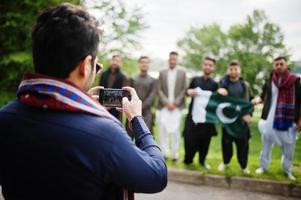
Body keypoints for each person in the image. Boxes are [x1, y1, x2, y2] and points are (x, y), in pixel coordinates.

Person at [0, 3, 167, 200]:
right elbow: (156, 175)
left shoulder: (6, 117)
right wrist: (137, 119)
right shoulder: (105, 133)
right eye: (96, 65)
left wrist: (77, 99)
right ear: (86, 65)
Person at [253, 56, 301, 181]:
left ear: (286, 65)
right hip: (269, 120)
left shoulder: (295, 81)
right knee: (266, 145)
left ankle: (287, 170)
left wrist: (300, 119)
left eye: (281, 64)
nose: (278, 66)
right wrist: (255, 100)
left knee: (289, 147)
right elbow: (263, 96)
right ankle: (263, 167)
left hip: (288, 120)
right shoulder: (270, 80)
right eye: (276, 64)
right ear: (274, 66)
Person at [217, 61, 253, 174]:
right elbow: (215, 99)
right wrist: (218, 91)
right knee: (226, 144)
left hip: (241, 122)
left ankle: (244, 166)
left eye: (235, 69)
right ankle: (225, 162)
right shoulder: (222, 84)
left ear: (239, 70)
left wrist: (249, 114)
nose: (233, 71)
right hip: (227, 121)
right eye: (231, 69)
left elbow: (250, 102)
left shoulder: (245, 85)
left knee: (243, 145)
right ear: (228, 70)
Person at [183, 56, 219, 169]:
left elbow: (217, 100)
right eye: (206, 64)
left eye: (210, 65)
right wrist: (189, 92)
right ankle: (188, 160)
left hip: (207, 118)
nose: (208, 66)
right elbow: (186, 92)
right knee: (189, 139)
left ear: (214, 67)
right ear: (202, 65)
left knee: (205, 141)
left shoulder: (215, 84)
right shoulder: (195, 80)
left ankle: (202, 161)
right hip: (193, 117)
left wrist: (220, 92)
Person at [157, 51, 187, 162]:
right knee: (163, 130)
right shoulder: (162, 72)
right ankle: (163, 153)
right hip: (164, 106)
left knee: (175, 131)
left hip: (176, 107)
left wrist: (175, 103)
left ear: (177, 60)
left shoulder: (183, 72)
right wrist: (166, 102)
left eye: (175, 59)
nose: (173, 61)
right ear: (168, 59)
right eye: (171, 59)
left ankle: (175, 154)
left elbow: (184, 88)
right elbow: (159, 89)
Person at [129, 56, 157, 132]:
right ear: (139, 64)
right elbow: (128, 95)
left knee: (146, 136)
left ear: (149, 64)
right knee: (130, 135)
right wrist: (133, 108)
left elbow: (151, 96)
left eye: (146, 62)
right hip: (132, 112)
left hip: (147, 113)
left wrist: (140, 107)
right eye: (142, 62)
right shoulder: (132, 78)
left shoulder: (153, 80)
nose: (144, 64)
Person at [99, 54, 129, 121]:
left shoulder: (124, 76)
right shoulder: (103, 74)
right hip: (103, 105)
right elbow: (100, 89)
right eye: (113, 60)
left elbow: (125, 92)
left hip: (117, 107)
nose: (115, 62)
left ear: (121, 63)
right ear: (110, 61)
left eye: (118, 61)